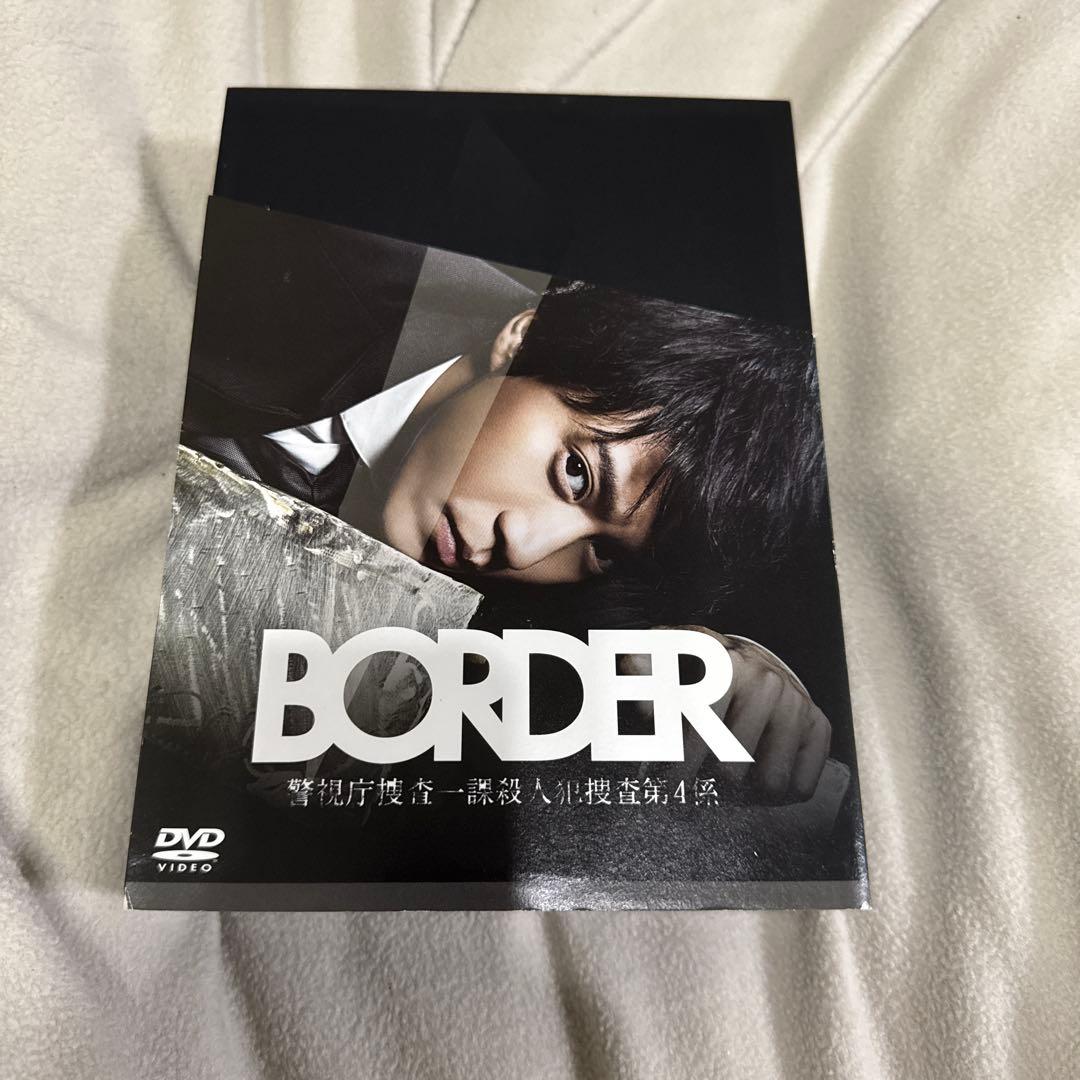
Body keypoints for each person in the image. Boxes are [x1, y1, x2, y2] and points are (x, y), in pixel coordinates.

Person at [182, 198, 832, 803]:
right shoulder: (307, 250)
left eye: (603, 552)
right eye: (575, 474)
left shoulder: (543, 595)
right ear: (521, 340)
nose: (523, 547)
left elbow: (609, 640)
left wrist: (730, 667)